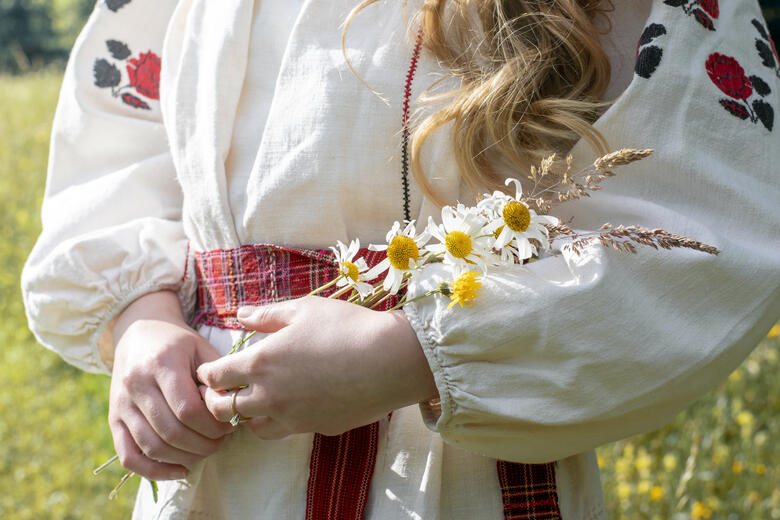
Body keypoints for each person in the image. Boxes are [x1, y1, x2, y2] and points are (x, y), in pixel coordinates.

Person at [21, 0, 780, 518]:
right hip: (224, 466)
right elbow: (126, 141)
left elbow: (716, 221)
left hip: (458, 477)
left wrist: (413, 351)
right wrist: (141, 319)